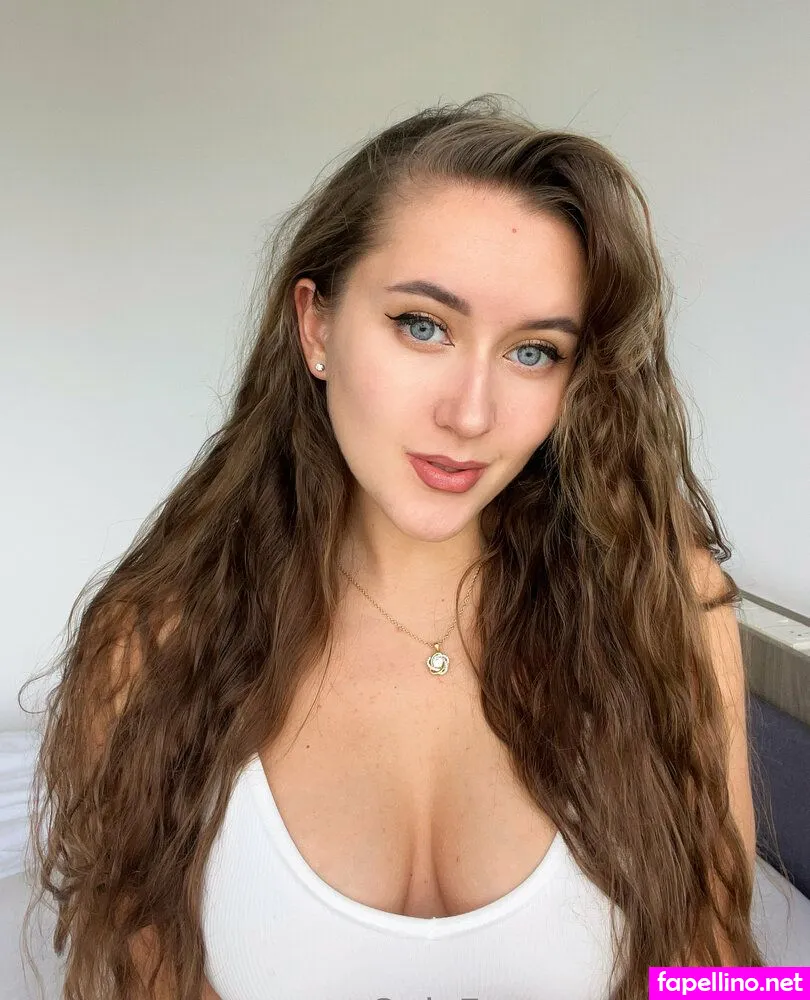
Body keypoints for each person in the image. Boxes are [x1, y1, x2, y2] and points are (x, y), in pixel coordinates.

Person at [20, 94, 763, 1000]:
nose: (471, 414)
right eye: (423, 325)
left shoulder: (666, 606)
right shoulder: (156, 643)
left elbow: (721, 969)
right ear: (316, 326)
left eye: (534, 351)